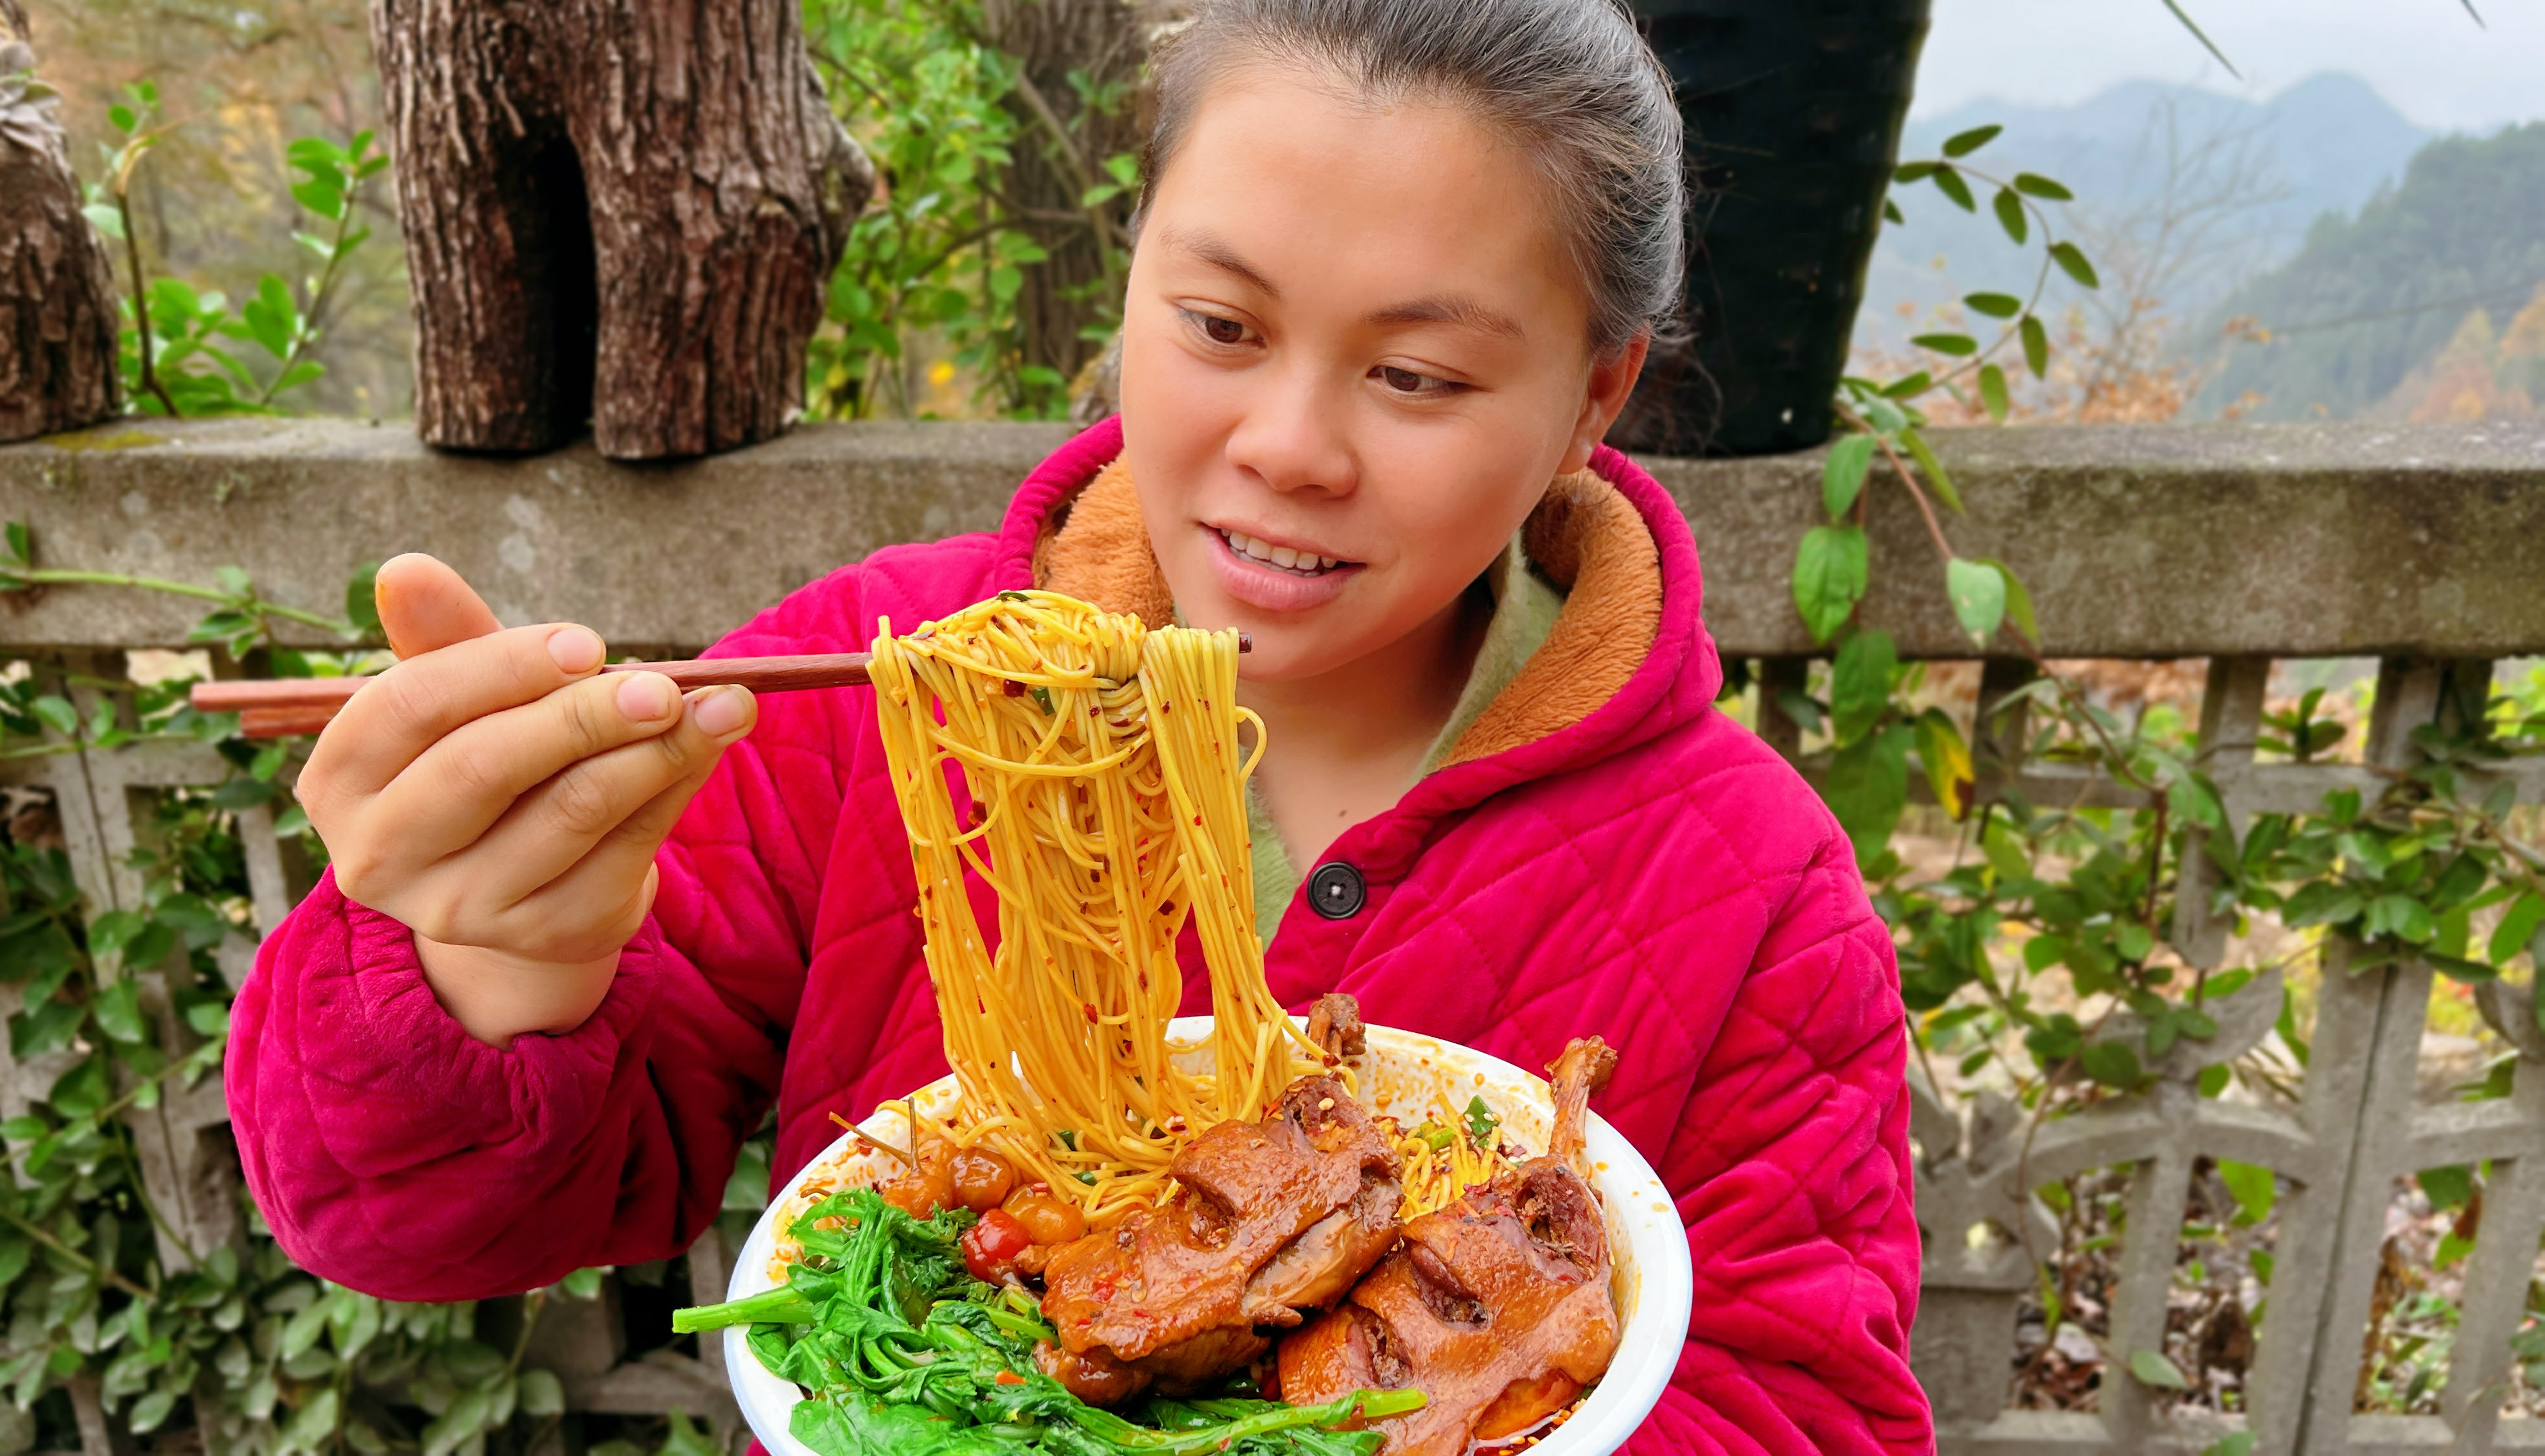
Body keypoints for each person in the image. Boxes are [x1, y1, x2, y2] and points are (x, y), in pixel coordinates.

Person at [229, 0, 1935, 1448]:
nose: (1288, 444)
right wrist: (484, 972)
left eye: (1416, 375)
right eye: (1219, 324)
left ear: (1594, 398)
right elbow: (412, 1212)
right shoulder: (879, 681)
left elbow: (1806, 1399)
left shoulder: (1756, 889)